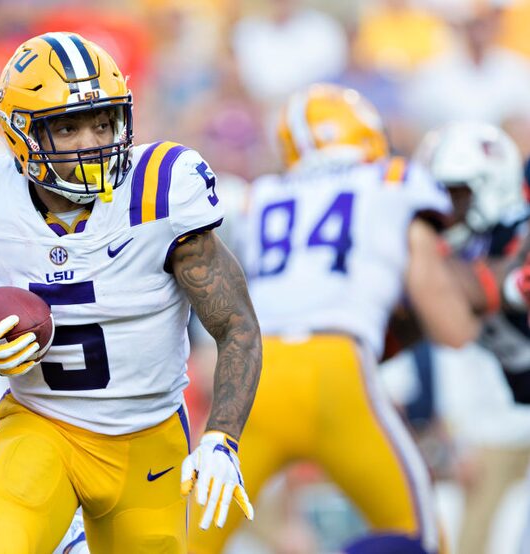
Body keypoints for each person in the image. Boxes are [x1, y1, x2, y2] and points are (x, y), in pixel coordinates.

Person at [0, 32, 263, 553]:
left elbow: (237, 325)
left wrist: (222, 438)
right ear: (20, 135)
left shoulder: (161, 190)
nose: (91, 140)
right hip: (43, 428)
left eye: (103, 120)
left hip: (148, 439)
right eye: (67, 127)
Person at [189, 84, 479, 554]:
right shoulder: (392, 180)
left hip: (254, 377)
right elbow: (446, 319)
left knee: (184, 542)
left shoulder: (259, 195)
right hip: (337, 368)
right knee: (421, 537)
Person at [414, 121, 530, 554]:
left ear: (490, 185)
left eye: (454, 195)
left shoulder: (515, 236)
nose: (442, 210)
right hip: (501, 422)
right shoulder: (460, 257)